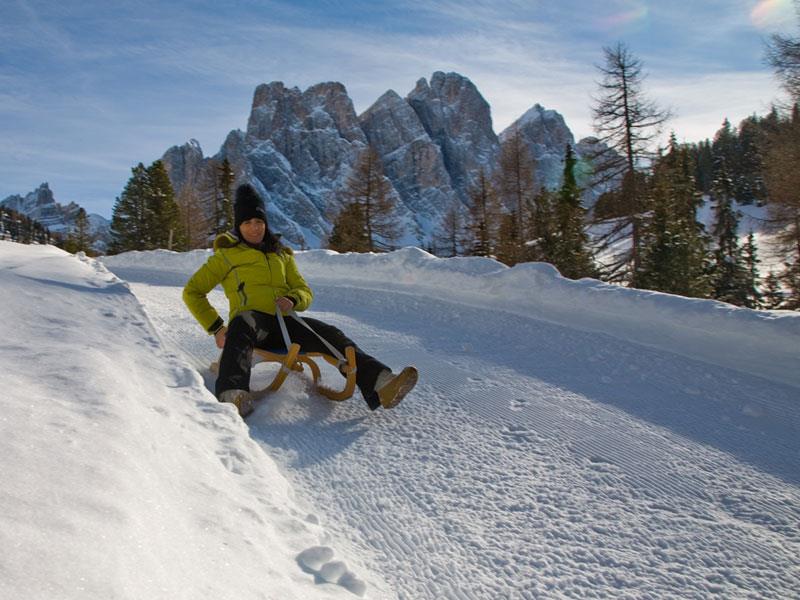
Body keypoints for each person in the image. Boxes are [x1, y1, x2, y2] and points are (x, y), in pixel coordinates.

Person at [183, 183, 418, 417]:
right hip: (252, 326)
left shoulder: (281, 254)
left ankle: (381, 383)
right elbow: (192, 291)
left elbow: (304, 289)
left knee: (331, 334)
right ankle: (232, 393)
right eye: (247, 223)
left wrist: (293, 299)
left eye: (259, 222)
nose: (254, 228)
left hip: (285, 323)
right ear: (238, 225)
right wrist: (216, 328)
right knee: (243, 321)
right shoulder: (227, 256)